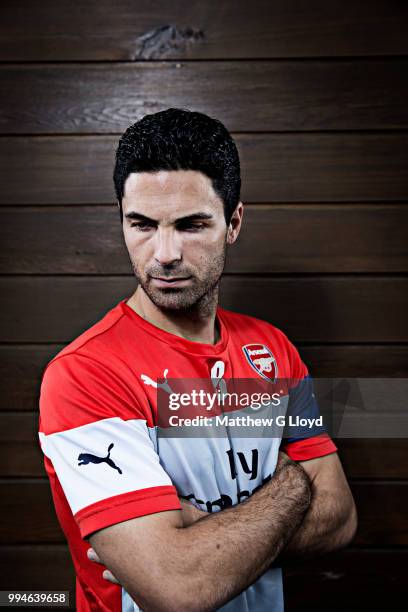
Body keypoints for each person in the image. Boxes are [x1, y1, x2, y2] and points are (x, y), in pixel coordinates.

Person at [38, 108, 357, 611]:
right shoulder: (85, 374)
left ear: (232, 223)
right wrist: (294, 484)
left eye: (190, 225)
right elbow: (176, 587)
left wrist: (198, 533)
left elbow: (339, 516)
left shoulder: (273, 349)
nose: (163, 253)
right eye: (141, 224)